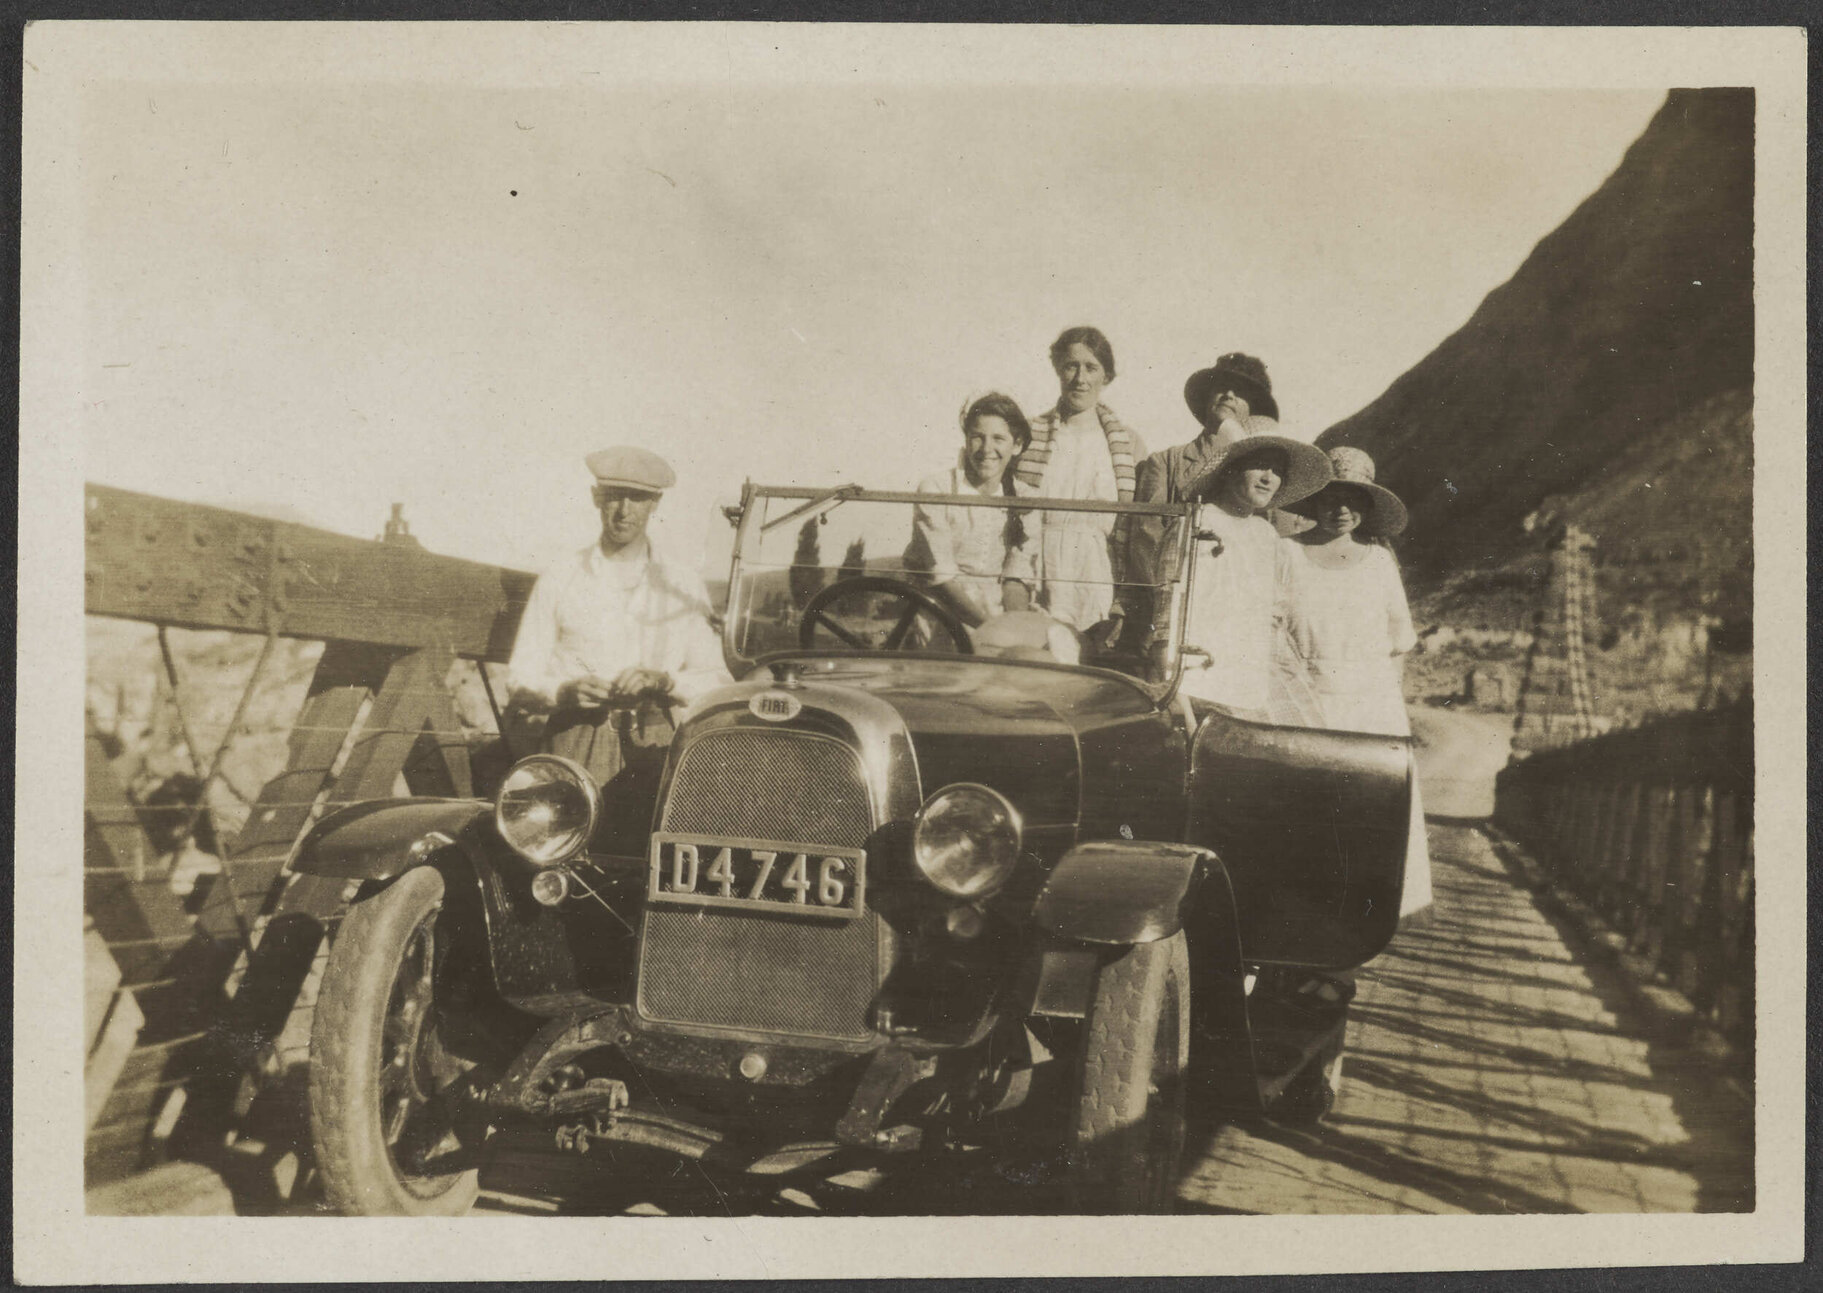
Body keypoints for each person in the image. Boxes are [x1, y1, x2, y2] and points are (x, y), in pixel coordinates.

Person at [505, 446, 730, 785]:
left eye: (637, 498)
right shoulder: (560, 576)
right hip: (574, 742)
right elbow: (520, 677)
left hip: (656, 746)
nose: (624, 511)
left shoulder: (681, 583)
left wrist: (665, 681)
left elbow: (716, 682)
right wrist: (565, 692)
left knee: (649, 839)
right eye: (614, 497)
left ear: (655, 504)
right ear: (596, 498)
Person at [1277, 445, 1433, 918]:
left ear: (1367, 508)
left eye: (1355, 500)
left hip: (1371, 703)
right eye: (1332, 496)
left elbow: (1398, 642)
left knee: (1370, 810)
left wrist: (1394, 716)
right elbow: (1271, 629)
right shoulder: (1287, 554)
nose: (1342, 509)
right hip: (1305, 699)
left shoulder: (1379, 563)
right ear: (1315, 499)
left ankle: (1364, 915)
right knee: (1310, 814)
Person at [1171, 423, 1330, 719]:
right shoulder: (1197, 523)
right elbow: (1171, 616)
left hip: (1259, 672)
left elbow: (1276, 615)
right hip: (1207, 677)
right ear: (1231, 469)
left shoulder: (1265, 534)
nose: (1269, 478)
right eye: (1260, 466)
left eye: (1278, 470)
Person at [1125, 353, 1281, 637]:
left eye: (1242, 393)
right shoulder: (1166, 463)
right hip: (1178, 607)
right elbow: (1146, 543)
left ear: (1253, 409)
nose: (1230, 395)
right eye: (1222, 386)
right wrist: (1167, 606)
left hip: (1241, 613)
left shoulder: (1266, 475)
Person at [1012, 326, 1147, 643]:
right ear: (1058, 368)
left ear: (1107, 376)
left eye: (1091, 367)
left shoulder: (1127, 442)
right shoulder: (1031, 433)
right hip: (1041, 564)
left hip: (1096, 569)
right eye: (1071, 365)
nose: (1080, 378)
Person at [903, 392, 1040, 629]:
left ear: (1016, 445)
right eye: (977, 437)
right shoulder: (937, 488)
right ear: (966, 440)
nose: (986, 448)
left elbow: (1016, 578)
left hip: (998, 614)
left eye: (998, 438)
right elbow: (942, 578)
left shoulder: (1025, 498)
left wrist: (1013, 627)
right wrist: (989, 628)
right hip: (940, 614)